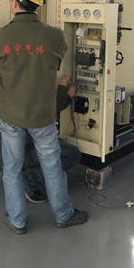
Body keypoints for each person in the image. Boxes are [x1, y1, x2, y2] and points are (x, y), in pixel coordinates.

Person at [0, 0, 88, 234]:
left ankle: (17, 220)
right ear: (39, 4)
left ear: (15, 1)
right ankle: (63, 215)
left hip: (11, 115)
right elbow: (55, 64)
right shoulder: (55, 36)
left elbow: (3, 64)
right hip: (43, 116)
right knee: (52, 167)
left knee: (12, 170)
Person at [23, 75, 80, 203]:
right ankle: (30, 179)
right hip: (26, 151)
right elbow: (48, 110)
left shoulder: (15, 88)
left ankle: (22, 173)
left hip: (11, 154)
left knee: (59, 143)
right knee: (73, 153)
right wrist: (63, 88)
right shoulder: (31, 87)